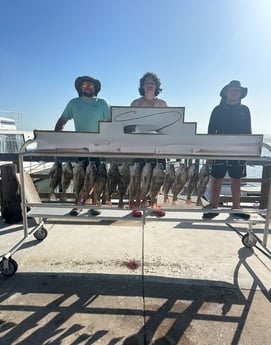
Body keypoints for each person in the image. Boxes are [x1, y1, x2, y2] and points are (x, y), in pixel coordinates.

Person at [54, 75, 110, 216]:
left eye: (91, 85)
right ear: (80, 88)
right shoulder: (73, 103)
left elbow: (111, 124)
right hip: (80, 146)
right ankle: (78, 203)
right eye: (85, 85)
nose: (88, 87)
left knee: (97, 176)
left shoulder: (102, 102)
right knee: (80, 176)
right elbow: (62, 121)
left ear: (95, 88)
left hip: (99, 146)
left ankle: (95, 202)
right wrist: (57, 138)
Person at [203, 80, 252, 220]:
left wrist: (247, 152)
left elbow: (248, 132)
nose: (234, 92)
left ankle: (236, 208)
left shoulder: (245, 110)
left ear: (240, 93)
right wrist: (210, 151)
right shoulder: (217, 110)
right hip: (219, 149)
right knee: (216, 179)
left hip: (239, 150)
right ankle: (213, 207)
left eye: (237, 90)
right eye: (232, 89)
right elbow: (211, 131)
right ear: (226, 93)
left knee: (236, 180)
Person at [130, 72, 167, 215]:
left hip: (158, 146)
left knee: (156, 176)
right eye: (147, 82)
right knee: (139, 176)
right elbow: (129, 126)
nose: (150, 84)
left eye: (152, 82)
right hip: (139, 146)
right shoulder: (135, 103)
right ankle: (137, 204)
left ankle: (154, 204)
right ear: (142, 85)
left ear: (157, 85)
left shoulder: (162, 104)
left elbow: (168, 126)